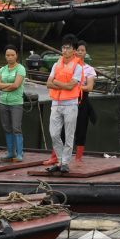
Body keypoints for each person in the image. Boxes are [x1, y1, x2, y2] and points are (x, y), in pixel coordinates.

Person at [44, 35, 83, 173]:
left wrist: (57, 83)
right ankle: (60, 160)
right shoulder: (56, 64)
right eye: (63, 47)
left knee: (69, 134)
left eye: (68, 48)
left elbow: (70, 87)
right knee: (54, 133)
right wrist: (62, 84)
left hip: (70, 104)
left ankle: (64, 162)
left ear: (74, 50)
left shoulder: (78, 67)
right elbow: (48, 83)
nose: (65, 50)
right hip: (56, 103)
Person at [0, 45, 26, 162]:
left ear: (16, 55)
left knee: (16, 128)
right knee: (7, 128)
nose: (10, 57)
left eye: (12, 55)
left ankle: (19, 153)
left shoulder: (20, 69)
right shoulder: (2, 69)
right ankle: (10, 152)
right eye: (8, 55)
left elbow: (16, 85)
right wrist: (7, 86)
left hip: (16, 103)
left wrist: (2, 86)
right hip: (3, 102)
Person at [73, 40, 96, 161]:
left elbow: (90, 87)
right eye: (78, 50)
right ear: (74, 51)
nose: (80, 52)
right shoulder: (69, 67)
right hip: (69, 100)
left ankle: (78, 157)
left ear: (86, 52)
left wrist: (75, 87)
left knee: (81, 129)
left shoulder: (89, 69)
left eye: (83, 50)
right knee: (65, 129)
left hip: (83, 100)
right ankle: (59, 157)